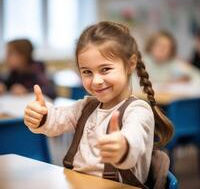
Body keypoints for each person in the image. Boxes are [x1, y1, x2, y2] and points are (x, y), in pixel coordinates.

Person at [24, 21, 173, 186]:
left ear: (130, 64)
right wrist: (40, 115)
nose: (96, 81)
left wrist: (122, 146)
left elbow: (134, 140)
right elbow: (57, 120)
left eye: (105, 69)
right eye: (87, 72)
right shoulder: (86, 106)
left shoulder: (138, 111)